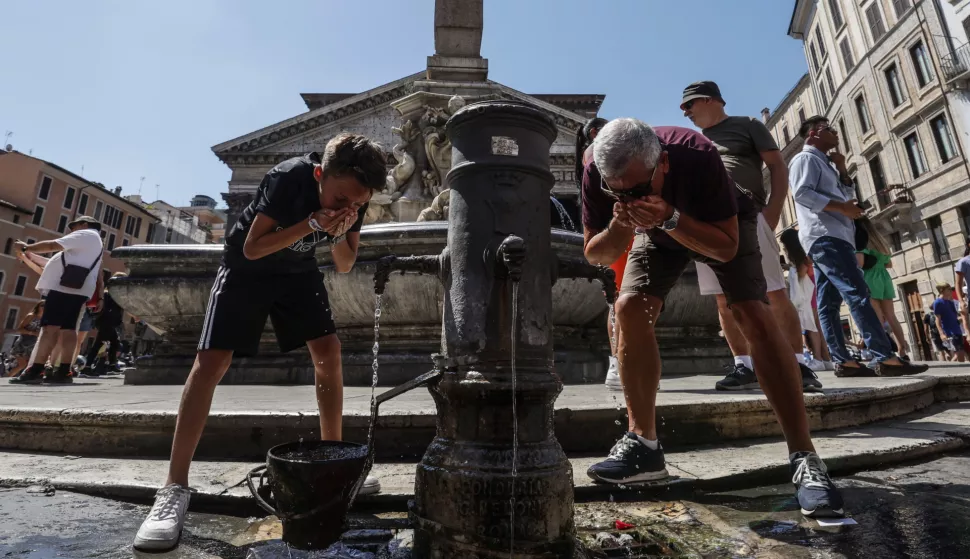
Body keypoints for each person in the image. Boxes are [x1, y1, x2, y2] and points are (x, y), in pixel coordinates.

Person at [133, 133, 387, 552]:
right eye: (342, 199)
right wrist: (309, 224)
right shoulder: (287, 178)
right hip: (245, 270)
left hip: (296, 272)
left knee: (328, 354)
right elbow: (252, 248)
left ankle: (335, 464)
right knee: (212, 363)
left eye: (358, 204)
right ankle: (173, 488)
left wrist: (340, 230)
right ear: (321, 174)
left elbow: (344, 265)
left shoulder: (354, 198)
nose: (349, 207)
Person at [581, 118, 843, 518]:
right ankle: (644, 446)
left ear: (663, 163)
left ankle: (805, 458)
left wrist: (669, 217)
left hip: (722, 223)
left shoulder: (698, 154)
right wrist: (621, 223)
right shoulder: (598, 170)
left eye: (636, 189)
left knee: (752, 312)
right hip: (657, 232)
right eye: (616, 191)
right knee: (629, 307)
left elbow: (724, 249)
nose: (627, 196)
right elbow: (595, 254)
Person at [681, 81, 820, 392]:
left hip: (748, 215)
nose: (685, 112)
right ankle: (744, 365)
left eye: (688, 105)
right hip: (709, 222)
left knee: (773, 291)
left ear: (709, 100)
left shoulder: (748, 126)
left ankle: (797, 362)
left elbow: (777, 166)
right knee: (722, 298)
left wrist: (772, 211)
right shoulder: (695, 141)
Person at [789, 117, 927, 377]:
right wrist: (841, 208)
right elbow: (802, 194)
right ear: (815, 133)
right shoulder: (805, 159)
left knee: (828, 302)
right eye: (830, 128)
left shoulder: (826, 164)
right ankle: (884, 356)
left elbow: (848, 198)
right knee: (857, 291)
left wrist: (842, 169)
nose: (836, 133)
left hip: (833, 235)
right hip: (826, 235)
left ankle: (845, 361)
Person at [9, 217, 105, 385]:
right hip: (76, 289)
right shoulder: (92, 242)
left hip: (63, 289)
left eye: (73, 226)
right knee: (68, 330)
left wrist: (27, 247)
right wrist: (29, 255)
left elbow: (53, 245)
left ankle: (36, 370)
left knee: (49, 329)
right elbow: (54, 262)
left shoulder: (85, 234)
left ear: (83, 225)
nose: (71, 230)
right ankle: (63, 371)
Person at [579, 118, 628, 391]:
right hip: (620, 231)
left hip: (610, 235)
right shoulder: (597, 153)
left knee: (618, 303)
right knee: (626, 302)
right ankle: (621, 364)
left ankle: (618, 362)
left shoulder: (588, 155)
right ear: (598, 132)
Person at [16, 248, 94, 374]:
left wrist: (28, 253)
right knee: (66, 332)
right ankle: (61, 369)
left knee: (53, 332)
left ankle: (48, 367)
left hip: (62, 297)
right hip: (78, 298)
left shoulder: (70, 257)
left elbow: (45, 268)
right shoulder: (87, 258)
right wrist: (28, 256)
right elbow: (45, 268)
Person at [854, 221, 910, 360]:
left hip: (870, 278)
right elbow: (889, 264)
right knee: (891, 316)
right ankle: (902, 351)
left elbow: (859, 263)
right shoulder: (880, 242)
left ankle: (884, 352)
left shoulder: (862, 240)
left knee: (877, 318)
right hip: (884, 278)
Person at [779, 228, 830, 370]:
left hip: (809, 292)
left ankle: (818, 360)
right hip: (814, 290)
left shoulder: (802, 257)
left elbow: (802, 272)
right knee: (818, 327)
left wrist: (791, 268)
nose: (784, 248)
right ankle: (826, 359)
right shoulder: (806, 252)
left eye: (784, 245)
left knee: (812, 326)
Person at [81, 272, 127, 375]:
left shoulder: (115, 294)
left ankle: (111, 366)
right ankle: (88, 367)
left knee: (114, 343)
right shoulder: (108, 294)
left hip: (108, 322)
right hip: (106, 322)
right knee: (99, 344)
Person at [8, 301, 44, 377]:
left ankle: (22, 377)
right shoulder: (31, 316)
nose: (44, 307)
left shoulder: (45, 319)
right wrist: (32, 333)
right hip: (23, 342)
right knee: (22, 364)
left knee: (29, 364)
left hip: (34, 344)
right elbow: (20, 329)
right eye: (42, 305)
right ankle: (6, 378)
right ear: (38, 307)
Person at [933, 283, 967, 362]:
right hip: (950, 331)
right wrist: (941, 333)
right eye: (948, 289)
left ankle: (953, 367)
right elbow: (937, 319)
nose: (951, 291)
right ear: (942, 290)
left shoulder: (950, 302)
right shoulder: (938, 302)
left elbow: (955, 317)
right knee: (959, 352)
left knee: (959, 352)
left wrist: (963, 316)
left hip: (957, 330)